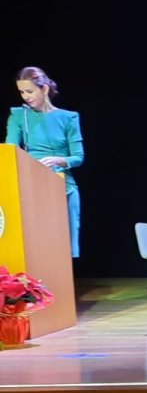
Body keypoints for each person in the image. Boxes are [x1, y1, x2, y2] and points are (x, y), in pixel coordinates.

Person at [7, 67, 84, 257]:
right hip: (31, 184)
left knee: (63, 245)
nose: (25, 96)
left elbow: (78, 157)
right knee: (34, 245)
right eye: (21, 92)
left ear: (44, 89)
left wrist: (60, 159)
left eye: (30, 91)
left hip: (62, 183)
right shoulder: (18, 116)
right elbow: (10, 150)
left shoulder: (69, 118)